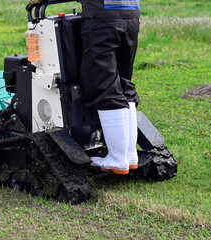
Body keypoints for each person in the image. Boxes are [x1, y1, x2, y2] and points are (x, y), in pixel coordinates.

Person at [26, 0, 140, 175]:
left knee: (103, 85)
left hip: (103, 19)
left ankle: (117, 160)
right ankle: (130, 156)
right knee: (124, 85)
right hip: (130, 14)